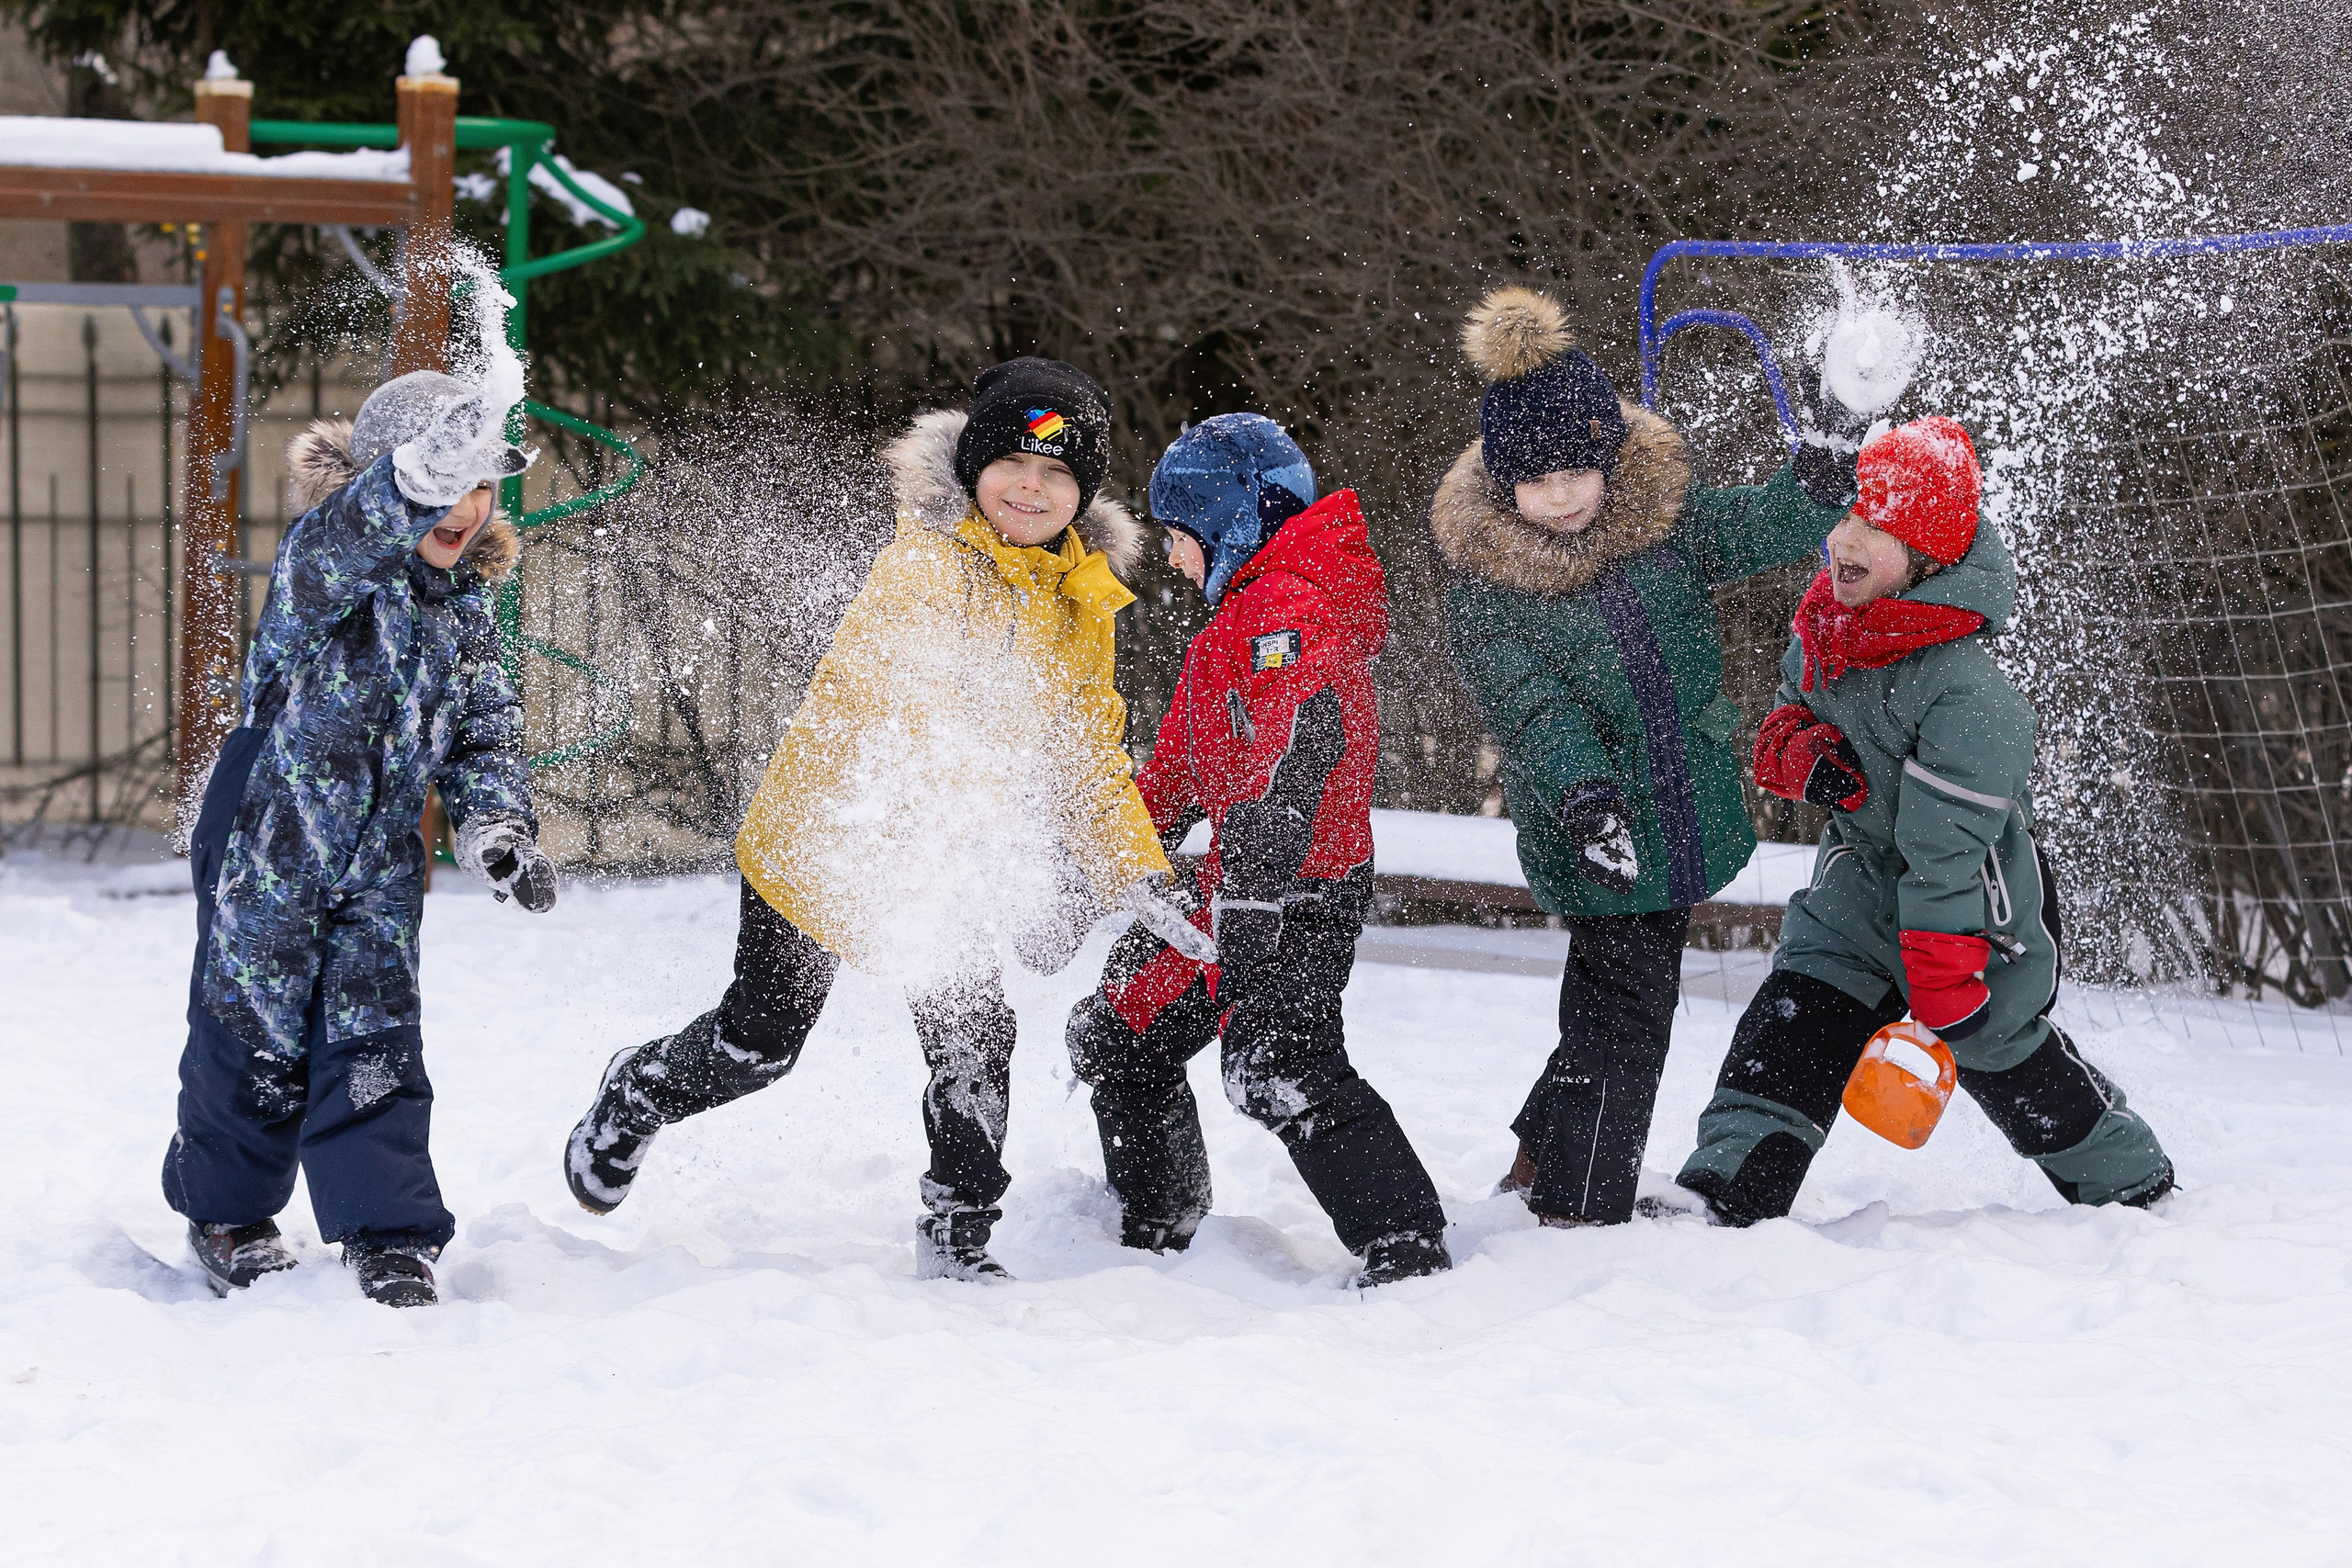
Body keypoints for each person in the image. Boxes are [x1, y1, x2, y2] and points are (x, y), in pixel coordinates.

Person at [563, 358, 1208, 1282]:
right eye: (1014, 464)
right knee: (759, 1045)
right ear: (974, 470)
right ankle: (637, 1092)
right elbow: (904, 704)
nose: (1032, 487)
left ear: (1083, 493)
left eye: (1059, 473)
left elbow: (1086, 749)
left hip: (949, 856)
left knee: (975, 1041)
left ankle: (959, 1230)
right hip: (826, 842)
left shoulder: (1081, 600)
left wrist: (1132, 867)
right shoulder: (925, 566)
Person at [1433, 286, 1861, 1227]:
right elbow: (1534, 710)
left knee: (1615, 998)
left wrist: (1826, 460)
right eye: (1533, 481)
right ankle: (1579, 1208)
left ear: (1607, 463)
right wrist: (1587, 798)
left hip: (1677, 809)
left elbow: (1769, 523)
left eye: (1575, 473)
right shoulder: (1488, 594)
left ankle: (1539, 1161)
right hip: (1593, 822)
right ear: (1503, 483)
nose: (1557, 497)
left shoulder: (1663, 531)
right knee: (1624, 1017)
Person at [1675, 416, 2175, 1223]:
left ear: (1926, 559)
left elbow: (1948, 854)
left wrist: (1944, 970)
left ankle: (2131, 1180)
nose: (1845, 535)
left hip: (1979, 899)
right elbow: (1786, 709)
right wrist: (1794, 747)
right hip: (1860, 878)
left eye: (1876, 525)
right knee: (1797, 1012)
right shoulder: (1827, 631)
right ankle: (1731, 1181)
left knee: (1994, 1043)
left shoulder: (1969, 693)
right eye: (1847, 514)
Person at [164, 370, 553, 1308]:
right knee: (252, 1033)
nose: (464, 507)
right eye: (442, 483)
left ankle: (387, 1231)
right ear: (389, 479)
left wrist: (498, 825)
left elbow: (479, 731)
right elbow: (350, 535)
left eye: (480, 486)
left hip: (381, 856)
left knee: (375, 1038)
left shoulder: (460, 611)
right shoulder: (324, 561)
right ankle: (228, 1213)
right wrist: (410, 478)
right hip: (271, 837)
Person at [1064, 413, 1452, 1285]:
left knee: (1279, 1061)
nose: (1173, 558)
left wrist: (1252, 891)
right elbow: (1166, 787)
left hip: (1299, 894)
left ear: (1230, 520)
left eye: (1180, 537)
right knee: (1116, 1032)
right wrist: (1082, 881)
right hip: (1232, 890)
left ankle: (1406, 1244)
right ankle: (1158, 1226)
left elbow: (1299, 750)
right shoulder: (1233, 625)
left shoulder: (1290, 614)